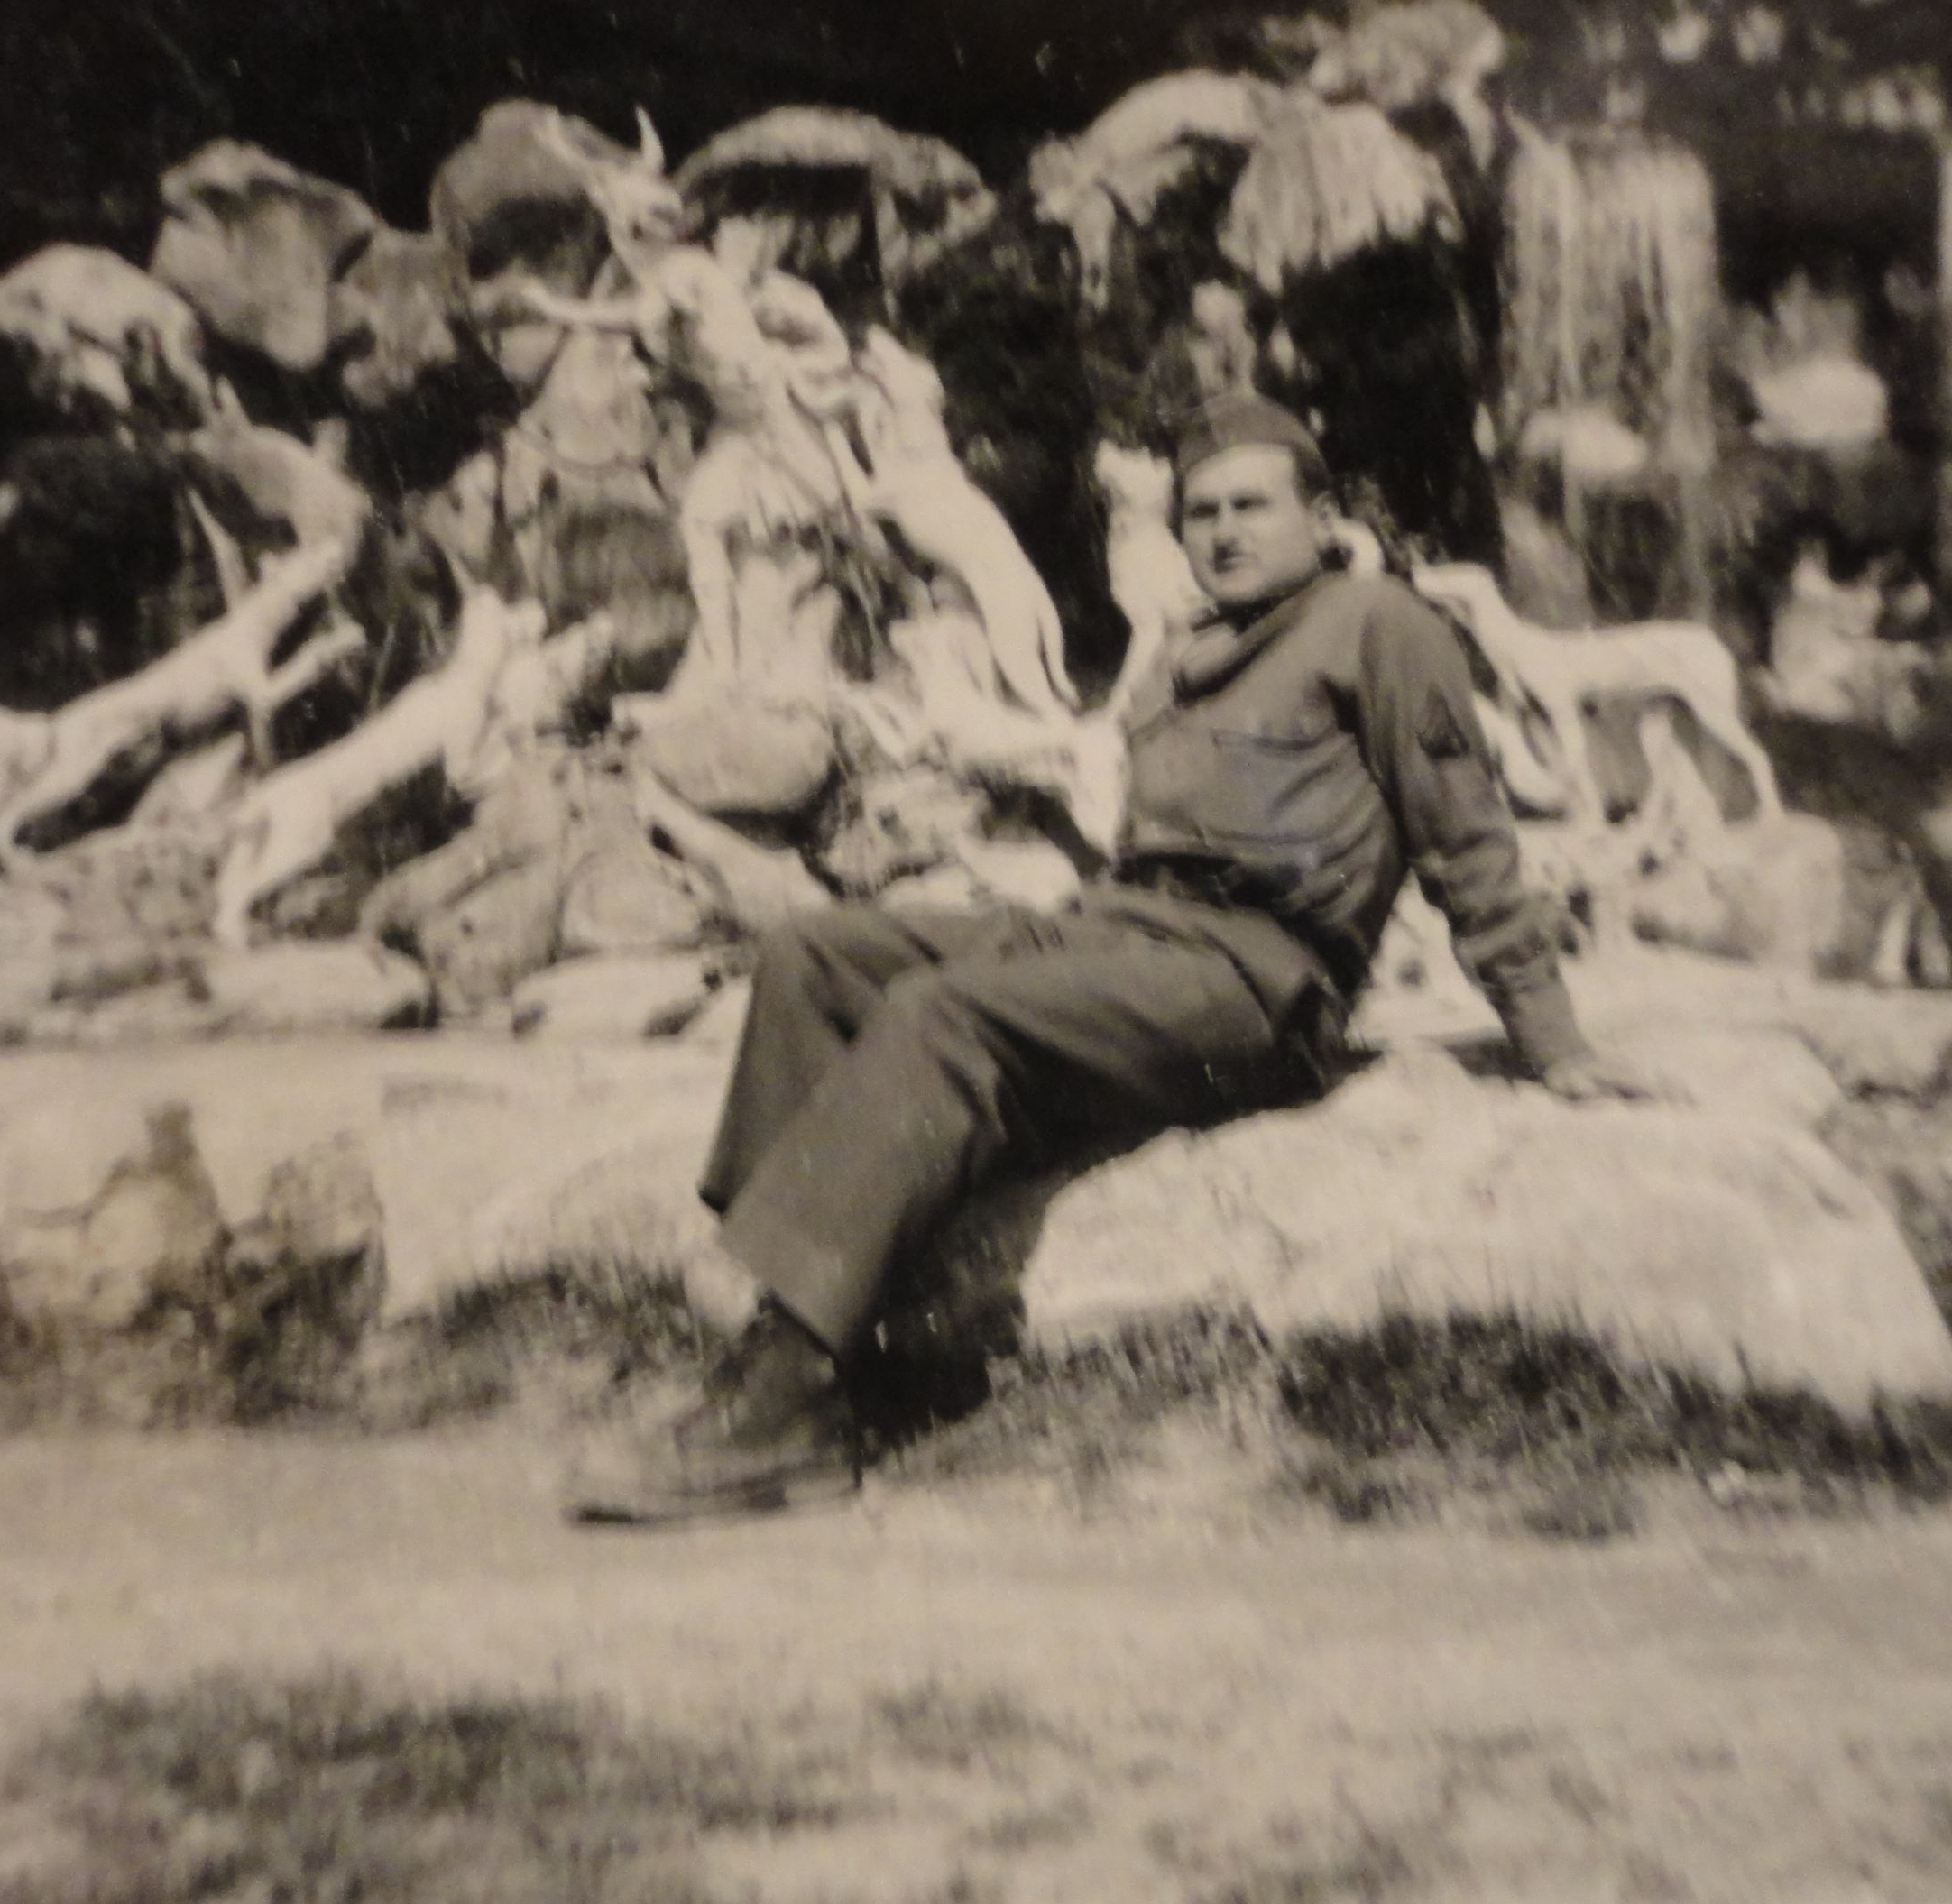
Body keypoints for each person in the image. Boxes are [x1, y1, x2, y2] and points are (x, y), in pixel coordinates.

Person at [566, 392, 1663, 1525]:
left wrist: (1553, 1040)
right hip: (1123, 933)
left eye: (1253, 507)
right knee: (817, 957)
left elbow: (1467, 836)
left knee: (947, 1016)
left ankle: (786, 1402)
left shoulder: (1382, 624)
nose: (1226, 531)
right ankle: (804, 1339)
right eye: (1202, 513)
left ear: (1321, 516)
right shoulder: (1188, 651)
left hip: (1252, 980)